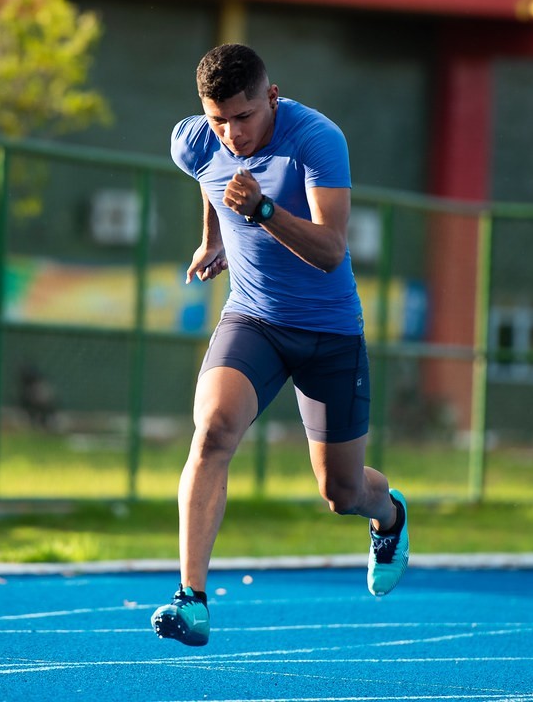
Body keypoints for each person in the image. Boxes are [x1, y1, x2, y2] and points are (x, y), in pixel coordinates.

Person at [151, 44, 409, 647]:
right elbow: (208, 176)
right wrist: (213, 237)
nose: (232, 134)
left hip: (329, 331)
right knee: (212, 431)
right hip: (254, 319)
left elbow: (331, 251)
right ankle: (191, 599)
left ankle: (390, 514)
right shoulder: (194, 140)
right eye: (218, 120)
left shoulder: (316, 139)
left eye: (243, 117)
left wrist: (263, 210)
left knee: (341, 492)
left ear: (271, 96)